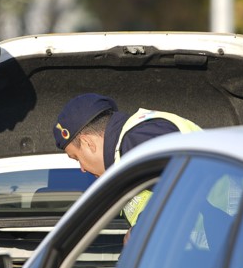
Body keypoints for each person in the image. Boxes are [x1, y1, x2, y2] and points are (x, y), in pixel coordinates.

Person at [53, 92, 199, 225]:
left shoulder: (137, 140)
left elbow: (191, 182)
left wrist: (142, 229)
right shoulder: (126, 152)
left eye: (77, 158)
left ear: (88, 143)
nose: (82, 169)